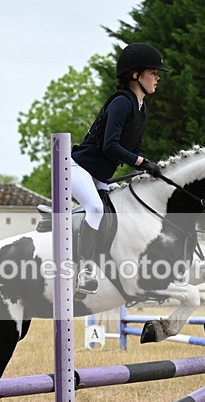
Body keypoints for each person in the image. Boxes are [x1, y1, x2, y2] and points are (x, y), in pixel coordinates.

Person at [70, 42, 168, 296]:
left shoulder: (141, 108)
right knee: (95, 208)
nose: (157, 78)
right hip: (77, 168)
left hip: (98, 175)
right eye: (153, 73)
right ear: (135, 75)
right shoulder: (122, 103)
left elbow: (133, 150)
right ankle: (84, 270)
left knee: (118, 210)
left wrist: (147, 168)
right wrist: (142, 162)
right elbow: (110, 146)